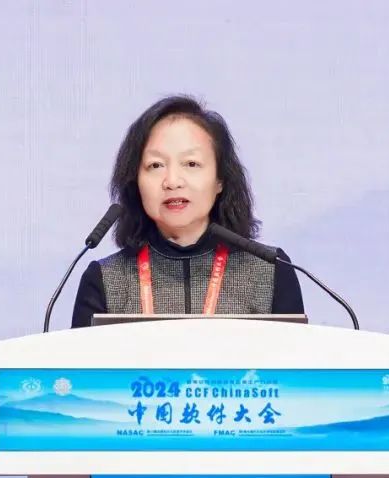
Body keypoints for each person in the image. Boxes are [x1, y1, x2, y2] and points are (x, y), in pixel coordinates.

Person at [71, 95, 304, 328]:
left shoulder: (270, 271)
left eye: (191, 164)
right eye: (155, 165)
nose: (172, 181)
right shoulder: (105, 280)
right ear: (135, 181)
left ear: (220, 180)